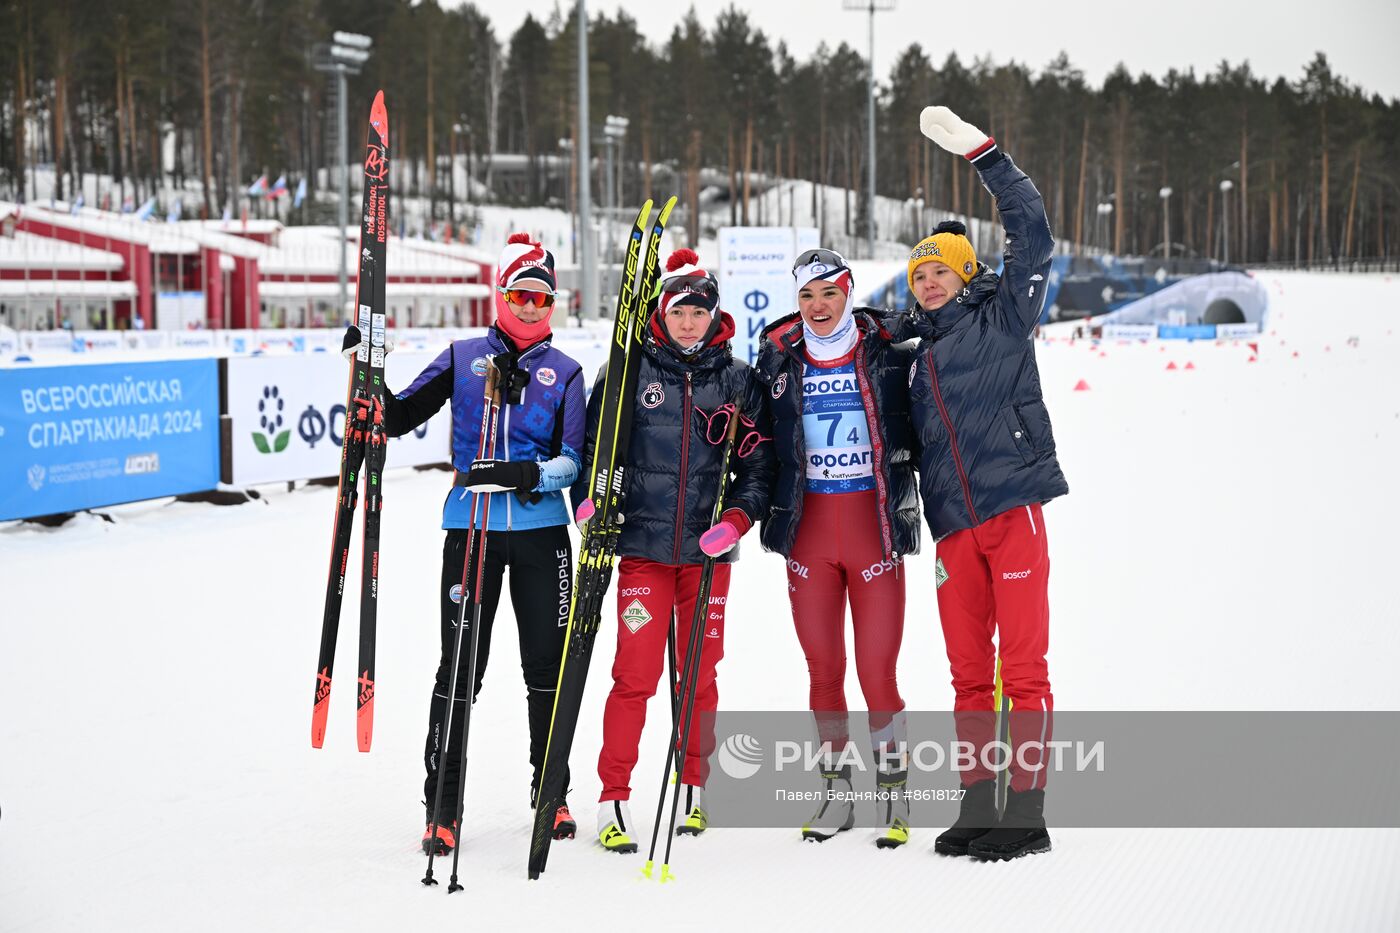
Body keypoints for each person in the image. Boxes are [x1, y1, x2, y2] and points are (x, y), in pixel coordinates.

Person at [346, 232, 587, 855]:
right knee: (459, 672)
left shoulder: (566, 374)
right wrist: (364, 373)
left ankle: (551, 789)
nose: (532, 308)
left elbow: (574, 463)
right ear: (500, 294)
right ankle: (443, 806)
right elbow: (395, 418)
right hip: (471, 527)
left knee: (547, 673)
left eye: (542, 298)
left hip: (541, 535)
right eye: (520, 295)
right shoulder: (462, 357)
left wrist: (527, 474)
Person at [883, 106, 1068, 861]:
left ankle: (1026, 808)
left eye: (940, 270)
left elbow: (1035, 234)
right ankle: (978, 799)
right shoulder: (909, 351)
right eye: (918, 273)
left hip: (1011, 509)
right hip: (954, 525)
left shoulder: (1004, 314)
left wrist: (989, 157)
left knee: (1021, 667)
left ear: (965, 275)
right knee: (967, 671)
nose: (928, 282)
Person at [573, 248, 774, 853]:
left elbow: (760, 465)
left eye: (700, 312)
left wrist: (738, 519)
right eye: (679, 310)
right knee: (633, 676)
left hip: (706, 555)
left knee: (698, 675)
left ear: (716, 317)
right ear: (662, 311)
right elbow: (594, 449)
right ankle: (613, 796)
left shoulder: (739, 380)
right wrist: (589, 500)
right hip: (642, 551)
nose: (689, 322)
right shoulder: (629, 371)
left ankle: (694, 783)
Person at [754, 248, 921, 848]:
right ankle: (835, 793)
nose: (819, 307)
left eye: (829, 293)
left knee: (878, 672)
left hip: (874, 527)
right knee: (824, 671)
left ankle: (896, 795)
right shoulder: (776, 359)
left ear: (848, 291)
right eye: (807, 296)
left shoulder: (886, 350)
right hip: (811, 534)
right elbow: (755, 442)